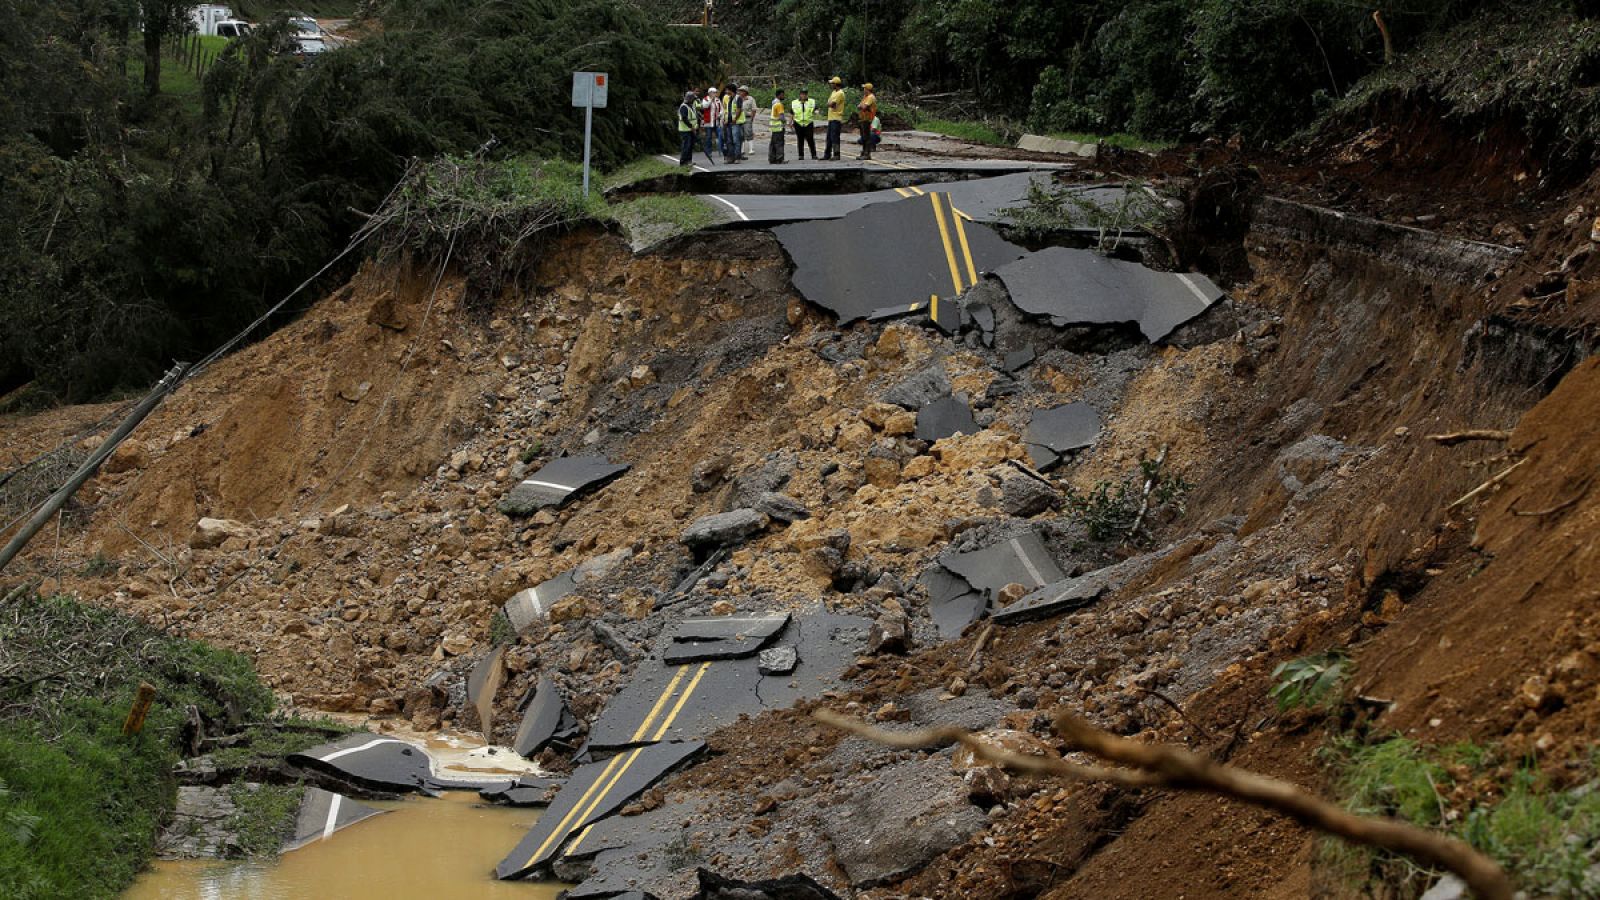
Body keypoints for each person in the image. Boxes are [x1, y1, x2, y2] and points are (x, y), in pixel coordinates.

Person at [823, 76, 846, 160]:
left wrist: (829, 103)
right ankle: (827, 155)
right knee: (829, 137)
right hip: (831, 118)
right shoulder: (833, 92)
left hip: (836, 118)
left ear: (836, 84)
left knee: (835, 137)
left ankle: (836, 154)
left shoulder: (840, 93)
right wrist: (829, 103)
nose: (831, 85)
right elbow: (829, 102)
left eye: (832, 83)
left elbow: (832, 104)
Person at [791, 87, 817, 160]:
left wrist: (816, 112)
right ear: (800, 94)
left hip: (808, 123)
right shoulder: (794, 102)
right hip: (798, 123)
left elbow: (816, 109)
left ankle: (814, 154)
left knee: (810, 139)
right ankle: (801, 155)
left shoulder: (812, 101)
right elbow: (792, 112)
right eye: (802, 94)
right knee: (800, 139)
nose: (804, 95)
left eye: (805, 94)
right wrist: (790, 122)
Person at [677, 90, 699, 166]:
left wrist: (694, 128)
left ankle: (689, 160)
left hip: (691, 129)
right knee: (686, 145)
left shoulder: (691, 106)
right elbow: (684, 118)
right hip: (685, 130)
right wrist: (691, 126)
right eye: (693, 98)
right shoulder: (684, 106)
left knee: (690, 145)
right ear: (690, 99)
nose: (694, 100)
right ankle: (683, 162)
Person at [857, 82, 878, 160]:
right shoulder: (865, 97)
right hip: (863, 118)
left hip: (867, 119)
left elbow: (864, 107)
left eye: (864, 88)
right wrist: (861, 106)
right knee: (863, 137)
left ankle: (867, 153)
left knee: (866, 137)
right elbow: (859, 106)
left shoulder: (870, 97)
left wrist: (862, 106)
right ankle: (864, 152)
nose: (863, 90)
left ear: (867, 89)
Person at [729, 85, 750, 161]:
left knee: (737, 140)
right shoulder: (730, 98)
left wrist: (735, 119)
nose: (726, 91)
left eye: (727, 90)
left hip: (737, 122)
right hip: (735, 121)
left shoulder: (737, 98)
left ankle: (737, 157)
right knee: (737, 139)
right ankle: (737, 155)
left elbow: (739, 109)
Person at [769, 88, 790, 164]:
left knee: (773, 143)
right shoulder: (779, 104)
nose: (784, 96)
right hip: (779, 127)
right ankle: (780, 159)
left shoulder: (774, 103)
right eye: (783, 94)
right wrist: (786, 122)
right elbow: (781, 117)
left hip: (773, 127)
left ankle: (772, 159)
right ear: (780, 95)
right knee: (779, 143)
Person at [701, 86, 722, 160]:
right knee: (708, 137)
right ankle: (709, 152)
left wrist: (719, 115)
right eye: (713, 92)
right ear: (709, 93)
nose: (715, 94)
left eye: (715, 93)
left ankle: (721, 151)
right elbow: (705, 106)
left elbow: (721, 109)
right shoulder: (705, 99)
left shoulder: (718, 100)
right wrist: (711, 100)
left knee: (720, 136)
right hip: (708, 122)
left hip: (716, 122)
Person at [739, 86, 758, 158]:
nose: (740, 92)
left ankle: (751, 149)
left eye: (742, 91)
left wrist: (752, 118)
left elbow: (754, 109)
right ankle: (742, 150)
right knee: (741, 134)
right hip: (739, 118)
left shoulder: (751, 99)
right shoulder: (738, 98)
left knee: (748, 132)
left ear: (745, 92)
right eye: (740, 91)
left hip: (747, 118)